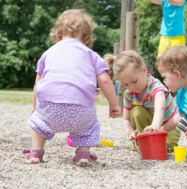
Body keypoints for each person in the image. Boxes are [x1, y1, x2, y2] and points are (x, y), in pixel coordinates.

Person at [22, 9, 121, 167]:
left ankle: (36, 151)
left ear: (58, 35)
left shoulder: (48, 53)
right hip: (80, 111)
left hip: (49, 108)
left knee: (38, 124)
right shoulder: (90, 54)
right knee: (89, 127)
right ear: (86, 39)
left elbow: (38, 83)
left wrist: (35, 107)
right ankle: (83, 153)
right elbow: (105, 80)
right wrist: (114, 104)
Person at [104, 50, 180, 151]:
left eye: (134, 81)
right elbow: (126, 119)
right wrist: (130, 132)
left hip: (168, 125)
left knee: (166, 146)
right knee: (136, 111)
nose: (132, 87)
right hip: (149, 125)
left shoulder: (156, 87)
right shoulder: (129, 94)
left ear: (144, 70)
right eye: (126, 84)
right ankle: (141, 141)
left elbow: (160, 108)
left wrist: (155, 126)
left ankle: (153, 142)